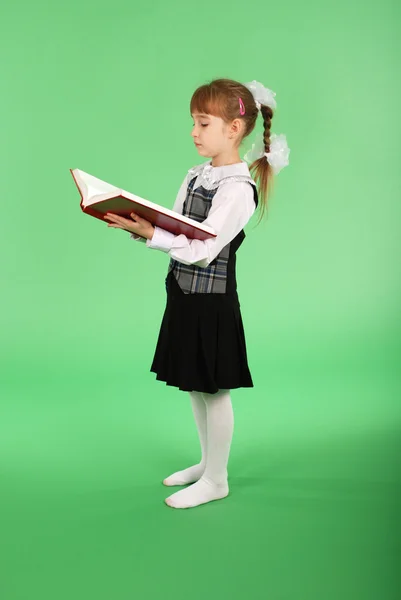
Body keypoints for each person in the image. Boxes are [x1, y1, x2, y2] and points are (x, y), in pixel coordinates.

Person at [104, 78, 290, 509]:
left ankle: (217, 479)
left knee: (214, 388)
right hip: (183, 293)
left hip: (212, 301)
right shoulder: (197, 174)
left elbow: (205, 253)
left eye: (203, 123)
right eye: (193, 122)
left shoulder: (238, 189)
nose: (193, 131)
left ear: (234, 129)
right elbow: (177, 225)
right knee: (193, 383)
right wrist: (144, 224)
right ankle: (207, 463)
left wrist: (153, 235)